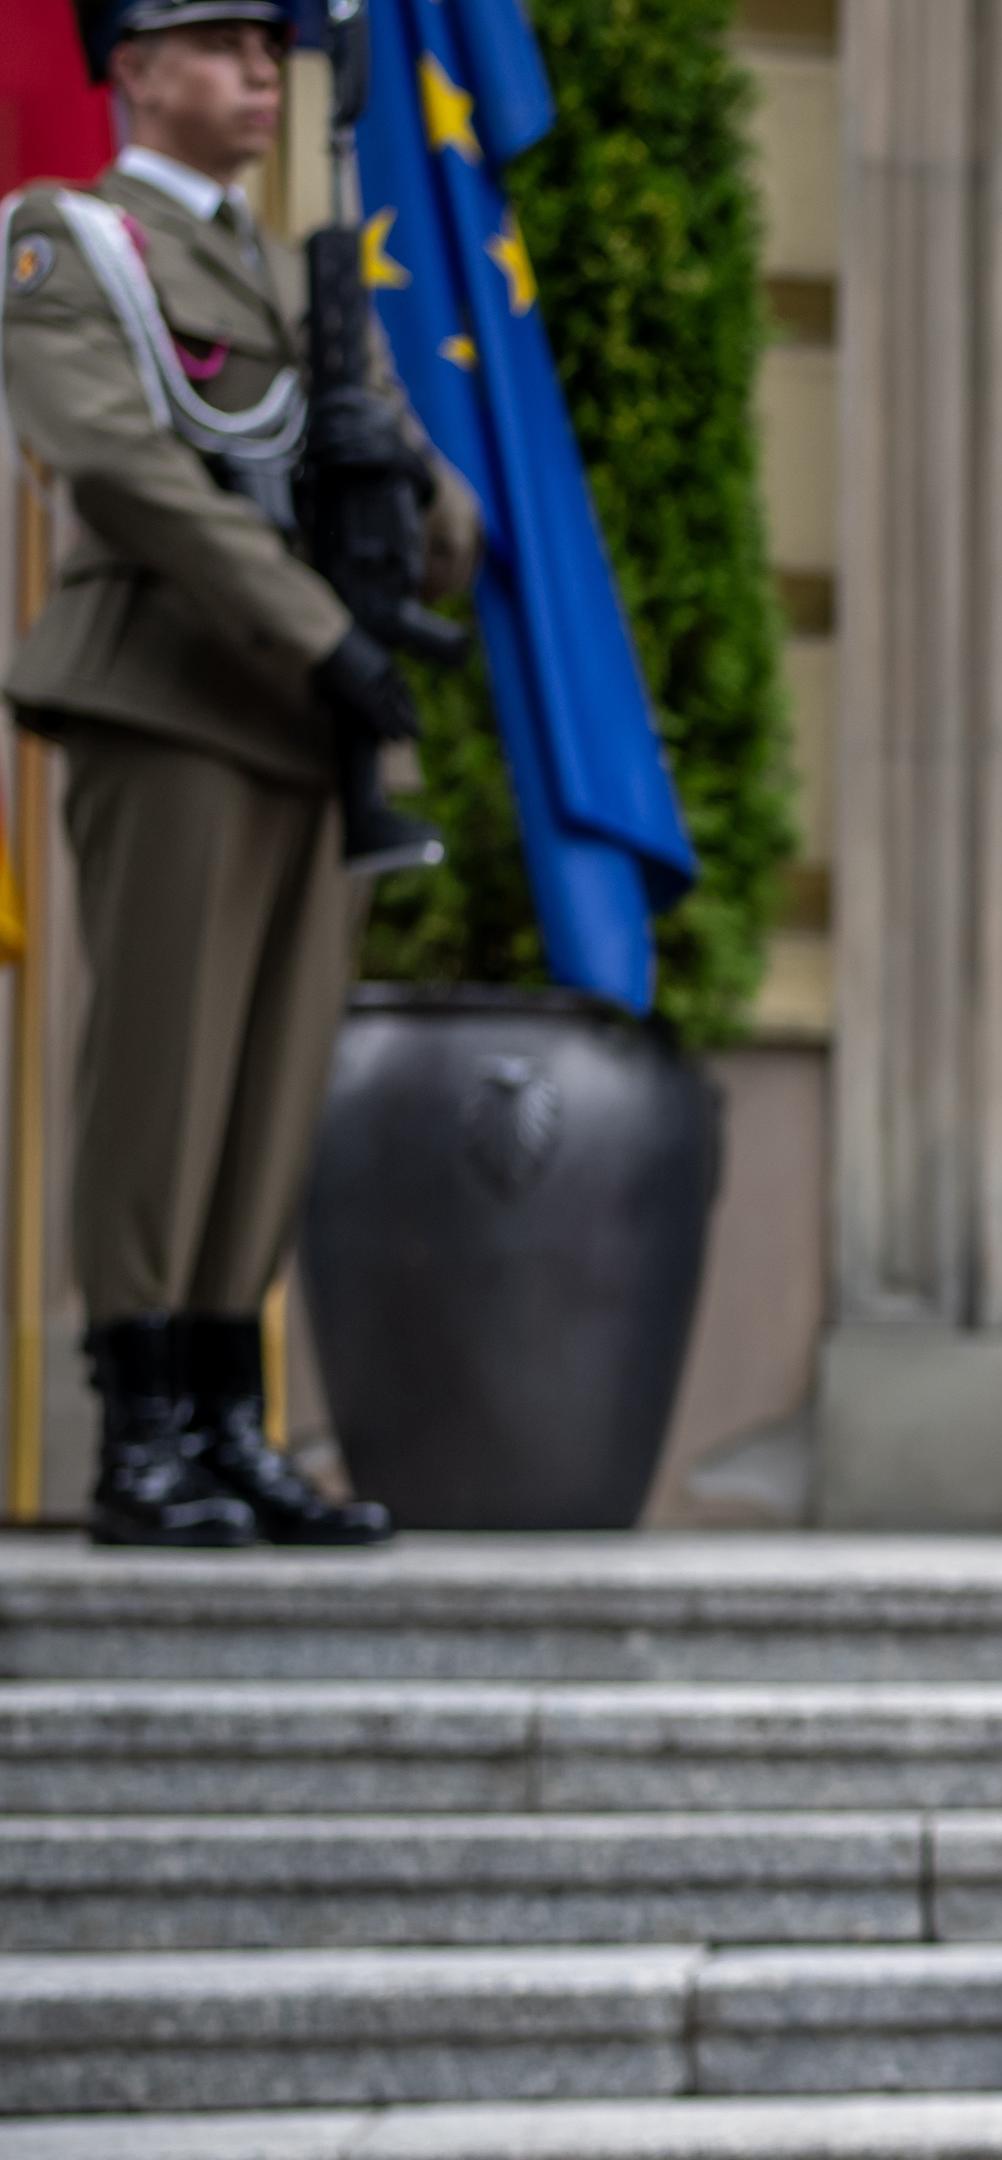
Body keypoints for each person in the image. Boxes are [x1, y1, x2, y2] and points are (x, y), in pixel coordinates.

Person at [3, 0, 469, 1549]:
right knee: (162, 1067)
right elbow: (125, 471)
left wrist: (407, 505)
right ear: (132, 71)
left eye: (273, 52)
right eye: (221, 47)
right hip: (178, 694)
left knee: (269, 1081)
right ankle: (137, 1427)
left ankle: (223, 1415)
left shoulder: (296, 276)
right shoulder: (73, 246)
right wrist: (322, 629)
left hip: (304, 723)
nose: (263, 77)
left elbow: (413, 486)